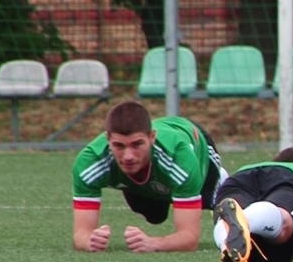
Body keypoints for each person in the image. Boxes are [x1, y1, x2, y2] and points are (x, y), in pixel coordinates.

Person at [71, 101, 227, 253]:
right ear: (108, 140)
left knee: (208, 200)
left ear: (152, 137)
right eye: (119, 146)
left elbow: (190, 239)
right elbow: (80, 234)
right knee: (154, 215)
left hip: (196, 144)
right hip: (154, 170)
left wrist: (153, 243)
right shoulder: (89, 163)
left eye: (137, 144)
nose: (128, 156)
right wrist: (89, 241)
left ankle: (224, 182)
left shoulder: (179, 159)